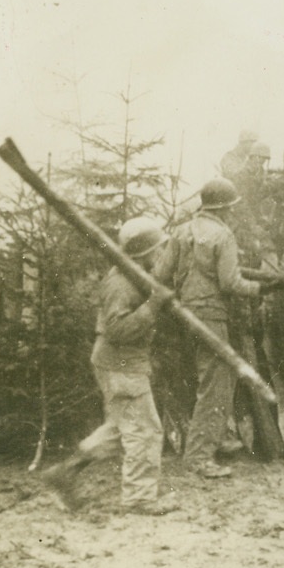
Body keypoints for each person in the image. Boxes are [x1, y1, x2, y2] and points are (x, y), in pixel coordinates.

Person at [40, 218, 177, 514]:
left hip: (119, 363)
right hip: (122, 364)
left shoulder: (134, 276)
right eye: (158, 250)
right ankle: (139, 498)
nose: (161, 256)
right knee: (144, 431)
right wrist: (153, 306)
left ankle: (64, 472)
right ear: (145, 252)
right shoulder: (121, 283)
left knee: (120, 428)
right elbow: (117, 330)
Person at [153, 177, 262, 479]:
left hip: (185, 315)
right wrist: (259, 289)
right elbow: (230, 282)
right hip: (212, 316)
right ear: (226, 208)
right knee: (216, 386)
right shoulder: (222, 235)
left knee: (206, 380)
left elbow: (160, 273)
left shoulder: (182, 230)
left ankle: (214, 441)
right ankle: (199, 457)